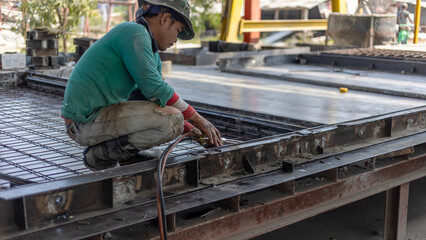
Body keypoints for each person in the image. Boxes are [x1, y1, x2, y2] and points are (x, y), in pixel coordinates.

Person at [62, 0, 223, 171]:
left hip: (99, 117)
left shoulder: (151, 54)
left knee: (171, 116)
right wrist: (199, 120)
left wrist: (195, 133)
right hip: (82, 123)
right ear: (165, 18)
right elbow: (155, 88)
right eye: (178, 30)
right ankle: (99, 156)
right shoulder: (134, 33)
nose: (176, 40)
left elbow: (153, 99)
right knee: (173, 119)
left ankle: (124, 155)